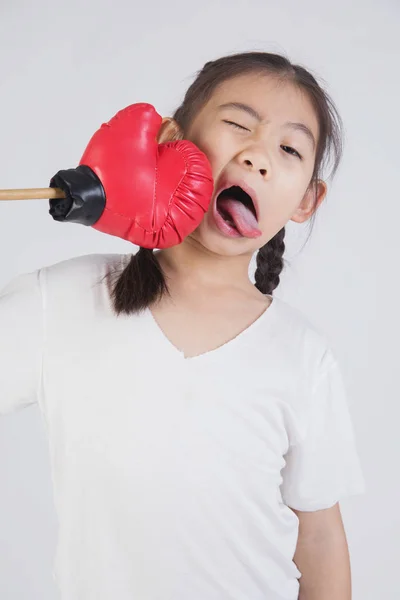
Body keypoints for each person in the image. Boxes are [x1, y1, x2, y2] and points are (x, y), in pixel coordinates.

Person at [0, 51, 366, 600]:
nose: (257, 157)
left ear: (306, 200)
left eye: (289, 149)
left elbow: (318, 538)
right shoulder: (59, 302)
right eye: (238, 125)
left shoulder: (302, 355)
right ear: (174, 139)